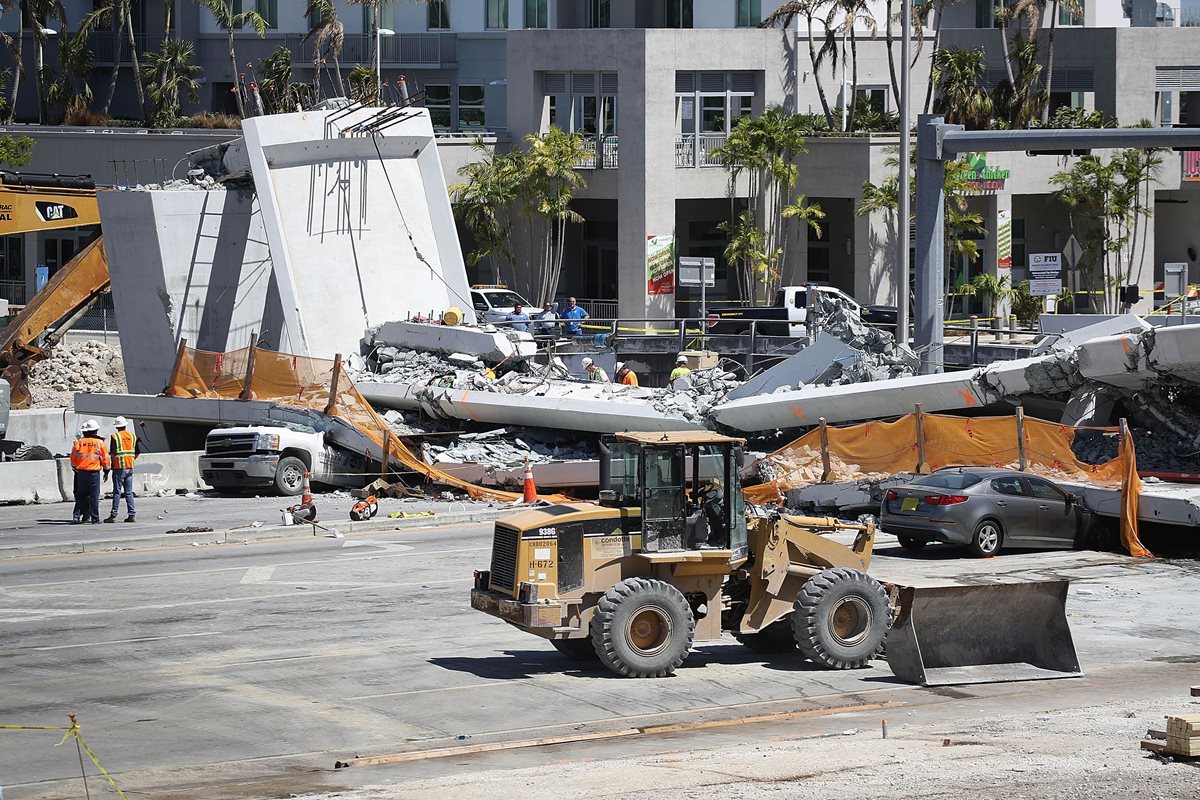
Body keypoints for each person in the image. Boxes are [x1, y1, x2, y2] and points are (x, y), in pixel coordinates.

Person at [70, 419, 109, 525]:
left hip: (81, 472)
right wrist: (106, 471)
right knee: (94, 496)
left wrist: (75, 468)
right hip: (93, 473)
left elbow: (73, 457)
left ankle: (76, 516)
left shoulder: (79, 442)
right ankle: (95, 518)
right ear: (96, 430)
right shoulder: (100, 443)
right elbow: (105, 458)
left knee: (81, 495)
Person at [105, 416, 138, 523]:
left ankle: (113, 515)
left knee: (117, 492)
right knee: (128, 492)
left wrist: (112, 465)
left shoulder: (115, 437)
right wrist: (131, 459)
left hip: (119, 467)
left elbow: (113, 454)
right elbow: (137, 452)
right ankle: (132, 514)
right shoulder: (133, 436)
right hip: (130, 466)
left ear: (116, 427)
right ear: (125, 425)